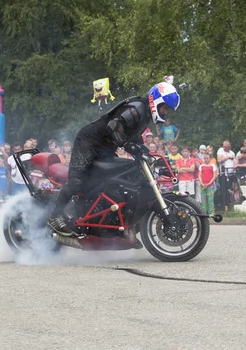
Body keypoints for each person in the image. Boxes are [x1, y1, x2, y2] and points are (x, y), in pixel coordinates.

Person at [48, 82, 181, 243]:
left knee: (113, 179)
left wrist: (141, 148)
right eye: (165, 107)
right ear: (156, 101)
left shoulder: (144, 115)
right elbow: (114, 126)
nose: (165, 112)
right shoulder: (136, 108)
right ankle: (55, 217)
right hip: (89, 142)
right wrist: (128, 145)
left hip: (105, 148)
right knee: (78, 180)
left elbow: (132, 135)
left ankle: (113, 223)